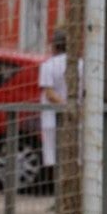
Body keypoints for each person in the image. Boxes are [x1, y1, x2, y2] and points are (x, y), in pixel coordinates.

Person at [38, 29, 69, 179]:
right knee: (73, 157)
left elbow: (49, 94)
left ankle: (59, 194)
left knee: (54, 158)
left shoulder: (48, 65)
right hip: (75, 119)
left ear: (54, 46)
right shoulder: (81, 64)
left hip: (52, 118)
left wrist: (65, 106)